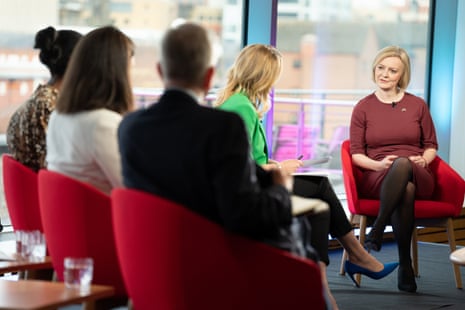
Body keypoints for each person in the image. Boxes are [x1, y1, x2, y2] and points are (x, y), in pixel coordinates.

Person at [118, 23, 338, 308]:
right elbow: (242, 215)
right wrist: (281, 191)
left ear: (160, 70)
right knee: (302, 244)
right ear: (210, 76)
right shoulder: (223, 127)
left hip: (149, 263)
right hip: (211, 258)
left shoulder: (130, 127)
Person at [214, 44, 398, 308]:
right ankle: (350, 262)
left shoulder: (240, 102)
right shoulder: (241, 107)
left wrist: (275, 163)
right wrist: (278, 170)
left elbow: (249, 158)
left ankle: (330, 278)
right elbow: (238, 168)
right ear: (263, 74)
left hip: (259, 182)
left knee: (320, 202)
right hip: (252, 191)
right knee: (321, 190)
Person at [349, 45, 438, 293]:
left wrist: (425, 160)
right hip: (378, 173)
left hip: (418, 172)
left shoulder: (417, 105)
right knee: (405, 190)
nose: (384, 74)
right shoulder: (363, 107)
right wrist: (377, 165)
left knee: (404, 164)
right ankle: (405, 265)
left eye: (392, 70)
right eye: (381, 68)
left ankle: (378, 229)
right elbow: (356, 154)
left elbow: (431, 145)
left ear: (402, 75)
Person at [46, 26, 134, 195]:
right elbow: (132, 188)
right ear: (117, 72)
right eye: (130, 69)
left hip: (70, 219)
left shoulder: (58, 117)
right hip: (102, 219)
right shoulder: (102, 123)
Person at [6, 26, 82, 172]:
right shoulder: (49, 107)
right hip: (49, 192)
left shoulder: (40, 100)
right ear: (75, 61)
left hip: (40, 191)